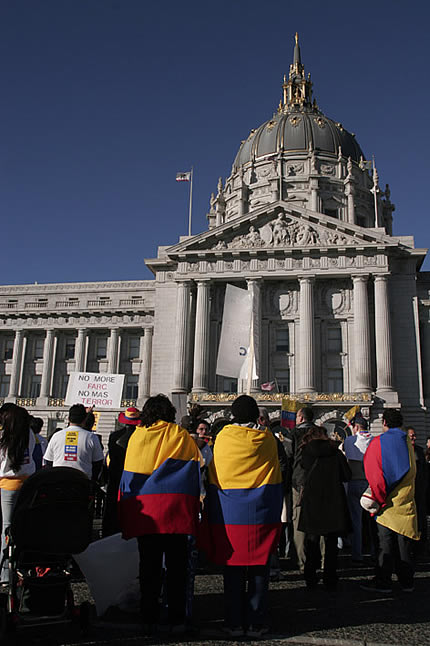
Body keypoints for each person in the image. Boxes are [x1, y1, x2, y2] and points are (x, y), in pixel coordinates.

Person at [118, 394, 201, 635]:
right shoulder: (179, 436)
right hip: (174, 511)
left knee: (149, 568)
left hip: (147, 514)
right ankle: (176, 618)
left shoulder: (137, 437)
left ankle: (148, 617)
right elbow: (194, 471)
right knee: (177, 569)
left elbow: (128, 477)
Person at [204, 395, 283, 637]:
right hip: (260, 512)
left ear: (233, 414)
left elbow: (213, 473)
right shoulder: (268, 438)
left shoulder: (223, 439)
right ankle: (257, 623)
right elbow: (277, 474)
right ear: (255, 414)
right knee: (259, 569)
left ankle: (234, 623)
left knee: (233, 571)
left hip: (230, 514)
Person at [361, 409, 419, 593]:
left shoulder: (379, 442)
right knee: (404, 545)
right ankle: (406, 581)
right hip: (407, 501)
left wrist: (376, 500)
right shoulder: (408, 443)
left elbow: (375, 476)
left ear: (384, 422)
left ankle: (383, 580)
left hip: (386, 504)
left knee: (384, 543)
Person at [299, 425, 351, 589]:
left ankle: (310, 575)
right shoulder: (335, 452)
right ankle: (330, 576)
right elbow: (347, 475)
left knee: (312, 539)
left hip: (313, 499)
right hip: (333, 499)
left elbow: (302, 472)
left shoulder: (306, 452)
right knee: (331, 542)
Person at [0, 404, 36, 583]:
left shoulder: (5, 435)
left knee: (6, 529)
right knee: (22, 527)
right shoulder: (29, 433)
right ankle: (21, 567)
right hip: (28, 483)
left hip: (8, 485)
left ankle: (5, 573)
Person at [102, 406, 140, 537]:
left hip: (115, 476)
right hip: (133, 476)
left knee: (112, 509)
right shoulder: (141, 436)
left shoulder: (114, 436)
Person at [43, 404, 104, 480]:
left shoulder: (56, 436)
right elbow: (98, 462)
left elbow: (48, 461)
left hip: (59, 480)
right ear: (84, 419)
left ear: (68, 419)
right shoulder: (91, 437)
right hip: (82, 481)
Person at [342, 415, 373, 563]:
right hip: (370, 484)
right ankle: (374, 552)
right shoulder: (374, 440)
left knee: (356, 520)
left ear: (356, 427)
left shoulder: (349, 441)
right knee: (373, 520)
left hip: (354, 481)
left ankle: (357, 553)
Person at [290, 407, 315, 570]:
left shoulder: (293, 434)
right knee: (320, 519)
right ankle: (322, 559)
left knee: (298, 520)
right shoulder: (322, 433)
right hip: (319, 480)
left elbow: (289, 457)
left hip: (299, 480)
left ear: (300, 418)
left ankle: (301, 561)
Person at [406, 427, 428, 553]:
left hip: (419, 488)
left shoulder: (419, 450)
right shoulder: (403, 450)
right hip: (409, 489)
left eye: (414, 436)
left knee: (421, 517)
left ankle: (422, 542)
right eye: (411, 436)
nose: (413, 438)